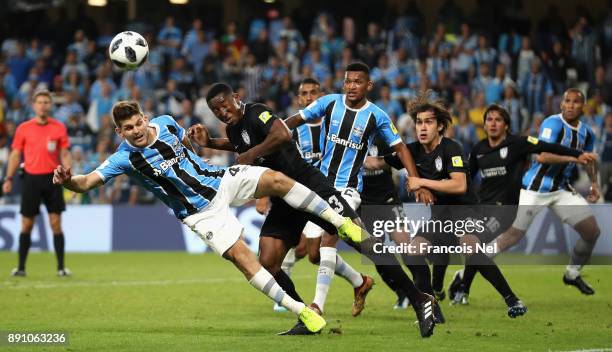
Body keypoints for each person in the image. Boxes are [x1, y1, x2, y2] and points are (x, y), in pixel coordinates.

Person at [52, 100, 368, 334]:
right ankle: (304, 313)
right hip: (200, 214)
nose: (134, 131)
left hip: (217, 178)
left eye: (137, 124)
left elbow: (186, 148)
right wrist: (68, 179)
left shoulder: (166, 123)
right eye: (127, 129)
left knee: (275, 179)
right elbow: (85, 183)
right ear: (119, 131)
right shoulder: (123, 159)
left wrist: (198, 141)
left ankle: (342, 223)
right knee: (245, 260)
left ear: (144, 118)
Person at [190, 78, 436, 338]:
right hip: (285, 197)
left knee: (361, 240)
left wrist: (251, 155)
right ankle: (307, 316)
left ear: (236, 97)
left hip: (309, 184)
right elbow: (242, 145)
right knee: (269, 260)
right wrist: (211, 143)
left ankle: (419, 299)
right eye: (216, 111)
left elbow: (281, 133)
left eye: (224, 106)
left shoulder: (255, 111)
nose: (222, 112)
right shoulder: (233, 130)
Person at [283, 62, 436, 327]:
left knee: (330, 238)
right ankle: (362, 281)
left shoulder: (376, 116)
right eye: (348, 81)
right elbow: (293, 121)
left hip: (349, 189)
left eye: (357, 81)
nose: (352, 86)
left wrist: (416, 181)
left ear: (368, 85)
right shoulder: (329, 103)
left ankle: (317, 306)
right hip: (320, 185)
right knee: (314, 253)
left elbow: (401, 149)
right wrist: (269, 135)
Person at [372, 91, 529, 319]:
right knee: (411, 251)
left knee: (469, 247)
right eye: (419, 123)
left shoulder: (451, 148)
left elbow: (459, 185)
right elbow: (377, 160)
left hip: (465, 212)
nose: (422, 128)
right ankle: (432, 306)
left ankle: (512, 299)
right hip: (440, 218)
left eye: (429, 122)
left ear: (441, 127)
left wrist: (420, 182)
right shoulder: (413, 150)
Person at [447, 104, 595, 304]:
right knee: (474, 247)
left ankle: (469, 289)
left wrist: (577, 154)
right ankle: (463, 287)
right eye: (489, 119)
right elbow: (466, 179)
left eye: (498, 120)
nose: (492, 124)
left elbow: (545, 146)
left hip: (505, 210)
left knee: (475, 243)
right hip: (482, 208)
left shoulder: (517, 144)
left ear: (506, 125)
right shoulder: (479, 149)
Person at [484, 89, 601, 295]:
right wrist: (575, 158)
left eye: (576, 102)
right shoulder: (552, 123)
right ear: (561, 105)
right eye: (567, 101)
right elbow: (542, 156)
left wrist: (594, 183)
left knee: (591, 232)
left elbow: (589, 159)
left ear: (583, 106)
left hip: (561, 189)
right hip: (535, 188)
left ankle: (572, 274)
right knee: (511, 237)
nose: (571, 105)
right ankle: (467, 271)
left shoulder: (587, 133)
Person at [3, 90, 72, 277]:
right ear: (34, 105)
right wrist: (8, 178)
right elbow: (16, 154)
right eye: (39, 102)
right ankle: (21, 268)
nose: (43, 105)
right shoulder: (24, 128)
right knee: (26, 224)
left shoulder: (59, 127)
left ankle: (60, 268)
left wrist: (70, 179)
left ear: (50, 105)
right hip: (31, 179)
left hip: (53, 179)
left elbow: (65, 154)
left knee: (56, 224)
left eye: (46, 102)